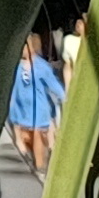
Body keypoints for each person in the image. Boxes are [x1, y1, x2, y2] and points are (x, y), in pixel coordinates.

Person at [10, 33, 67, 176]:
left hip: (40, 114)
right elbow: (15, 90)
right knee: (25, 144)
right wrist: (13, 113)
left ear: (31, 47)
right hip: (23, 114)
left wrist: (65, 98)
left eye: (25, 46)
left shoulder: (41, 67)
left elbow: (54, 85)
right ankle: (36, 166)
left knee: (39, 144)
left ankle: (42, 170)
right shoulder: (18, 68)